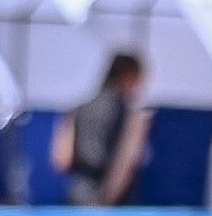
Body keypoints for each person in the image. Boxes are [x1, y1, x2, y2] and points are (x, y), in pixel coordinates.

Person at [53, 52, 150, 206]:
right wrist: (106, 198)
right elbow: (125, 161)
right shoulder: (132, 115)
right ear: (129, 75)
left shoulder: (78, 108)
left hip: (78, 194)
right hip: (115, 200)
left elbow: (62, 158)